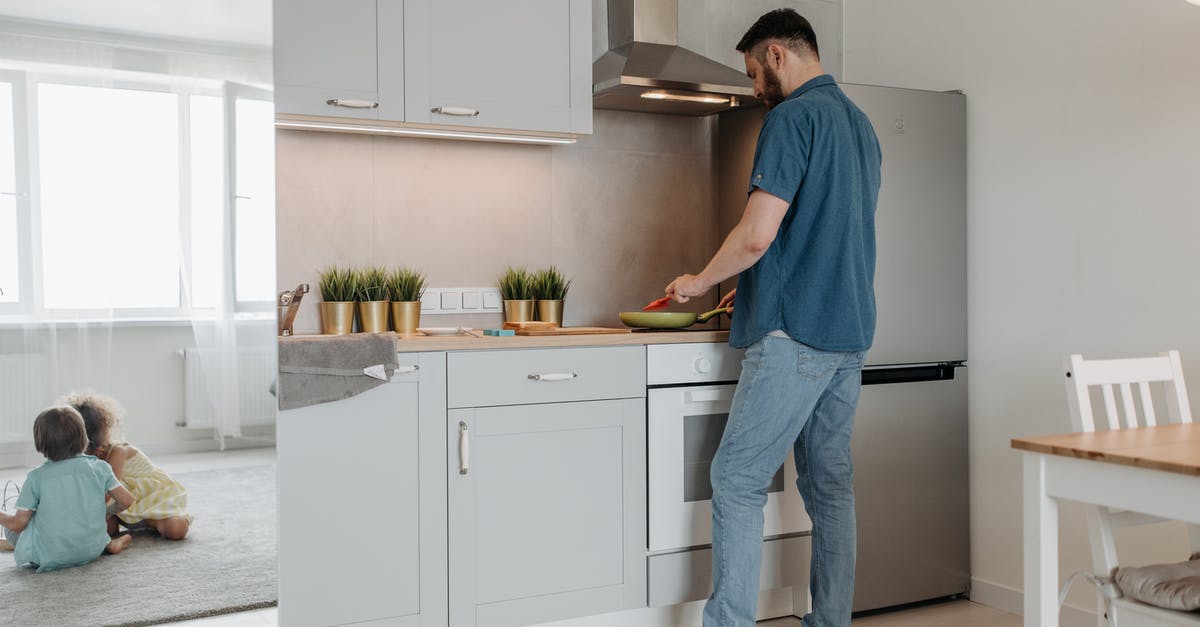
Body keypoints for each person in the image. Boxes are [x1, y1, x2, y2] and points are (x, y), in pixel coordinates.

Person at [663, 8, 882, 627]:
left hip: (796, 336)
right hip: (848, 334)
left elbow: (757, 236)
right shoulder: (861, 125)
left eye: (756, 72)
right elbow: (827, 233)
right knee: (831, 490)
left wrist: (700, 281)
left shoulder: (792, 117)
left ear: (779, 56)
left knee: (735, 479)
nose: (755, 88)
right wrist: (757, 288)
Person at [0, 405, 135, 571]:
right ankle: (109, 544)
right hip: (92, 549)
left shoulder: (36, 477)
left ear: (40, 442)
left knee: (10, 529)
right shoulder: (100, 467)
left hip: (48, 556)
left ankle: (32, 547)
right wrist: (106, 513)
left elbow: (18, 523)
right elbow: (126, 500)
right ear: (83, 437)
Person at [66, 392, 194, 540]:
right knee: (105, 529)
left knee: (175, 530)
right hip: (124, 507)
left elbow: (107, 493)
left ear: (96, 443)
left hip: (152, 499)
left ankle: (152, 520)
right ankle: (135, 521)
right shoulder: (85, 457)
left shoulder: (118, 452)